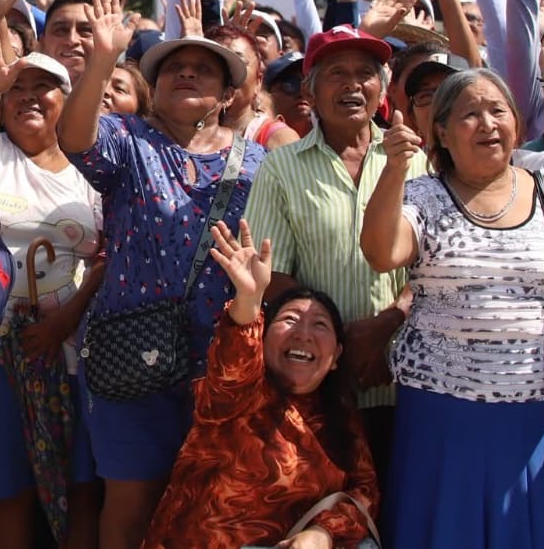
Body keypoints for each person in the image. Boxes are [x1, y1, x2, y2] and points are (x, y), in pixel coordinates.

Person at [360, 68, 544, 549]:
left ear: (517, 124)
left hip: (540, 416)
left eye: (497, 110)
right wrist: (395, 170)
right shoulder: (423, 195)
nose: (487, 124)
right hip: (443, 418)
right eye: (470, 114)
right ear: (440, 130)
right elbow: (382, 253)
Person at [58, 0, 265, 549]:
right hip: (132, 353)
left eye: (205, 69)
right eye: (176, 68)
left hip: (220, 359)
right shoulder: (129, 140)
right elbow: (73, 137)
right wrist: (101, 60)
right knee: (129, 504)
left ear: (227, 95)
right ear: (155, 87)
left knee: (212, 504)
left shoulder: (259, 161)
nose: (188, 74)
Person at [243, 26, 424, 476]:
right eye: (336, 73)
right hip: (319, 384)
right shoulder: (281, 168)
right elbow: (273, 277)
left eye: (365, 73)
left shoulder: (415, 160)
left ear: (382, 88)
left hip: (406, 377)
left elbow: (437, 268)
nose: (352, 85)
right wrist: (338, 343)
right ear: (310, 89)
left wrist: (386, 326)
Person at [0, 36, 101, 549]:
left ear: (67, 99)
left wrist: (64, 321)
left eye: (45, 87)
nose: (29, 97)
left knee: (82, 487)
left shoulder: (93, 171)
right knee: (7, 490)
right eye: (18, 88)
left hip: (76, 352)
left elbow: (108, 260)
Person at [143, 220, 379, 549]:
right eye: (289, 320)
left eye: (320, 324)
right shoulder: (237, 396)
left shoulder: (340, 415)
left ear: (337, 354)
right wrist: (249, 300)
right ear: (263, 339)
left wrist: (322, 533)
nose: (303, 333)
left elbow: (363, 494)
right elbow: (234, 360)